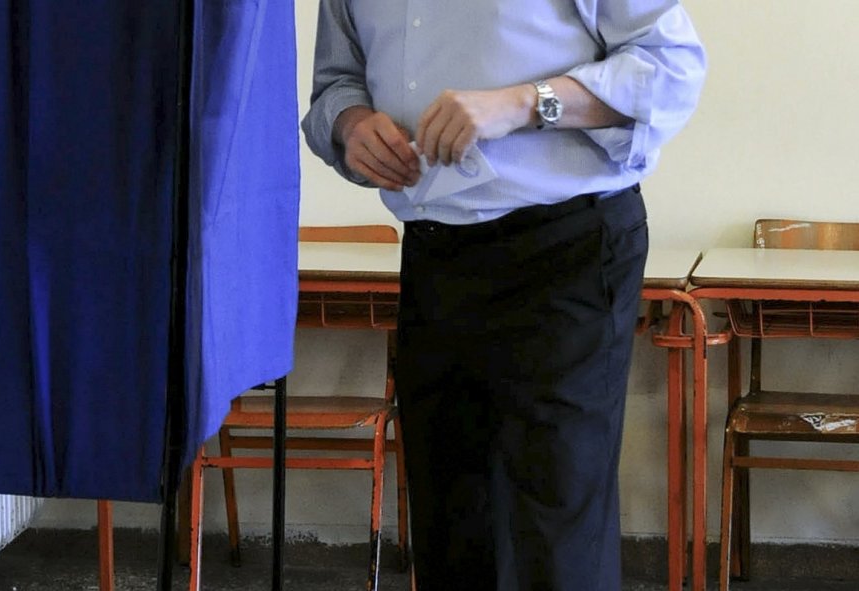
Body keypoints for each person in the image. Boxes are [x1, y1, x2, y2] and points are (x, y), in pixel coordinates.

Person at [301, 2, 706, 589]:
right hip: (435, 251)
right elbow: (336, 85)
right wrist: (350, 126)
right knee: (450, 522)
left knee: (551, 526)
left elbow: (673, 69)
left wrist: (525, 102)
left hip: (562, 247)